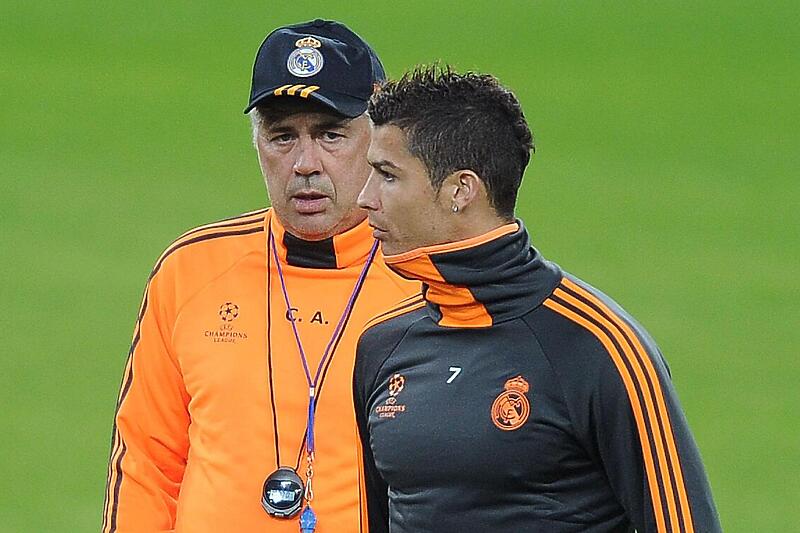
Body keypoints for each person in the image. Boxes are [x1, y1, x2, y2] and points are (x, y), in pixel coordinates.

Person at [354, 66, 721, 533]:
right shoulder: (383, 346)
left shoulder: (599, 346)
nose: (365, 199)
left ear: (460, 191)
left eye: (386, 175)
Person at [101, 20, 419, 533]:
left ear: (378, 141)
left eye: (330, 134)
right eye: (282, 136)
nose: (305, 164)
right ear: (256, 143)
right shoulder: (191, 269)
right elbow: (145, 464)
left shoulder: (426, 279)